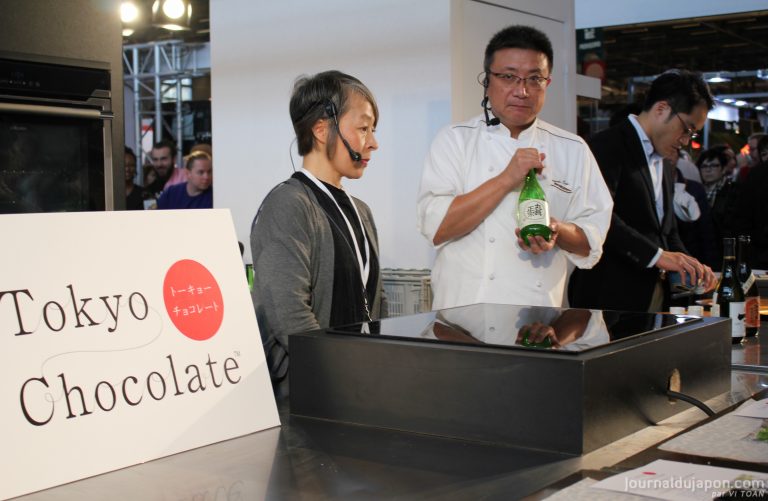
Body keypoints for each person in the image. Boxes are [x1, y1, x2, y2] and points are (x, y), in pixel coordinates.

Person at [416, 25, 613, 309]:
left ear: (548, 83)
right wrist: (507, 178)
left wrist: (556, 230)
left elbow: (592, 242)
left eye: (535, 79)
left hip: (539, 316)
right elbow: (437, 228)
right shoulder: (455, 139)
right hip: (461, 316)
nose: (522, 91)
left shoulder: (573, 149)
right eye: (508, 77)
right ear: (487, 81)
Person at [250, 70, 387, 390]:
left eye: (373, 130)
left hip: (358, 381)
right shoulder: (288, 204)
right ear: (322, 129)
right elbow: (290, 316)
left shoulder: (361, 211)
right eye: (363, 128)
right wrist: (337, 380)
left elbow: (374, 301)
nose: (373, 143)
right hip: (314, 391)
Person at [569, 70, 718, 312]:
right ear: (661, 109)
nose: (686, 141)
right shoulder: (606, 145)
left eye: (692, 134)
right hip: (607, 294)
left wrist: (691, 265)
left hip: (653, 295)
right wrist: (657, 256)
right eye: (686, 129)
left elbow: (666, 230)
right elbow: (600, 218)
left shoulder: (665, 161)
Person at [696, 147, 738, 264]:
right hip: (702, 252)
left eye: (714, 166)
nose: (708, 170)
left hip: (726, 251)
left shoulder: (734, 190)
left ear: (723, 169)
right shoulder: (696, 192)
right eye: (704, 166)